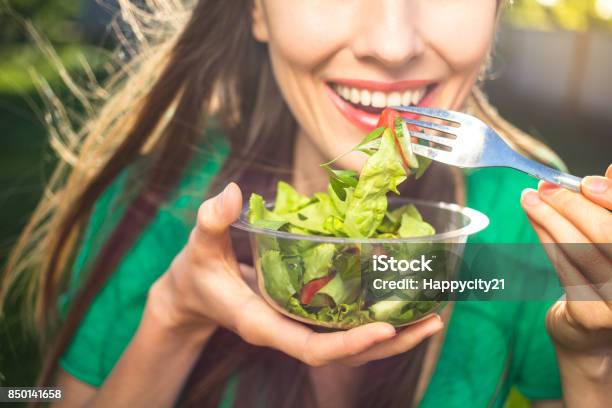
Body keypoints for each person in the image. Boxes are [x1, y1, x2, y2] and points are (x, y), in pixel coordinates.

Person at [3, 1, 610, 407]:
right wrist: (175, 315)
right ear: (258, 9)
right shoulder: (160, 203)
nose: (392, 45)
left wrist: (592, 358)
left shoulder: (535, 228)